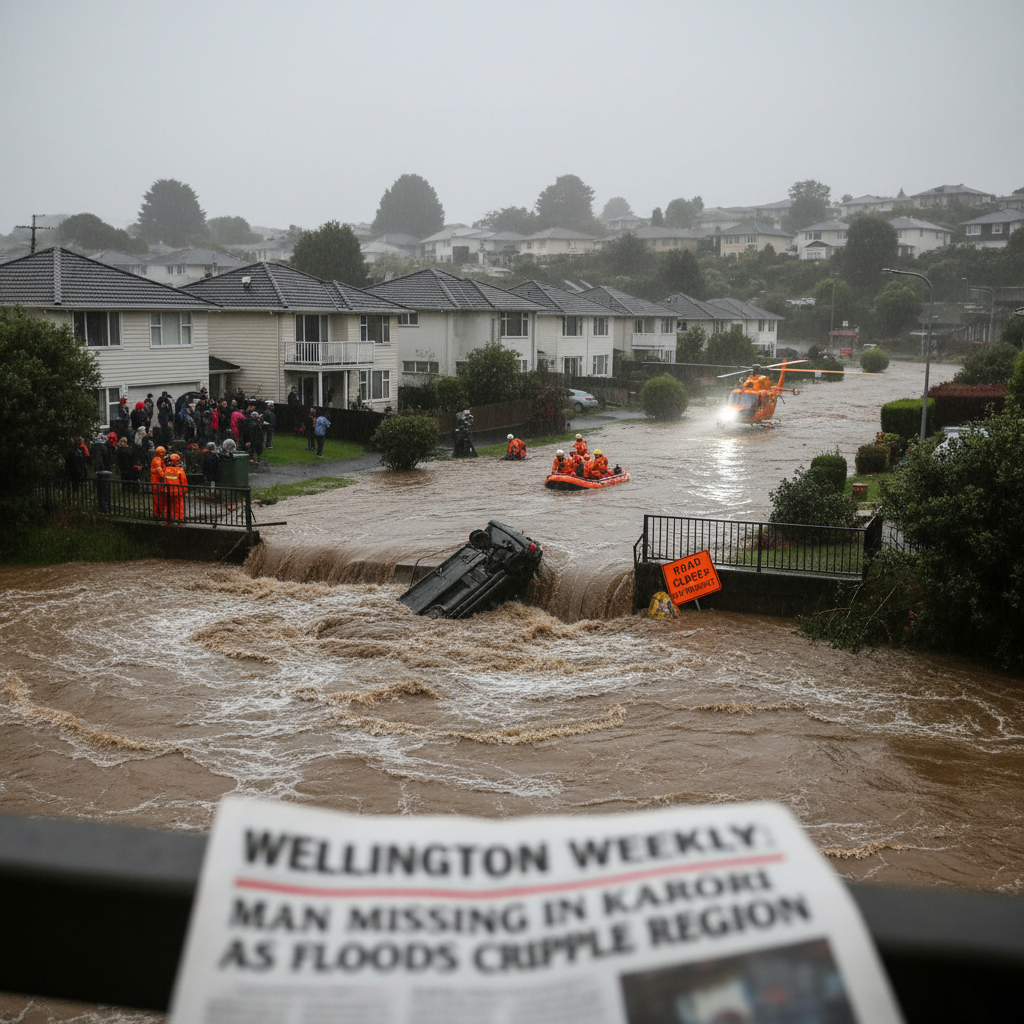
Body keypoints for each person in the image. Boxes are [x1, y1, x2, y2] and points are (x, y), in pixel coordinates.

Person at [94, 432, 117, 512]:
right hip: (105, 471)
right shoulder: (108, 448)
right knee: (105, 490)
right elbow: (108, 459)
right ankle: (106, 507)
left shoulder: (102, 447)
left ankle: (103, 507)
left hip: (102, 470)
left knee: (102, 491)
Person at [162, 453, 188, 523]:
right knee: (179, 506)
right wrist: (185, 490)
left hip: (167, 491)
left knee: (168, 506)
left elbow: (164, 480)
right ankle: (179, 519)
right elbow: (183, 481)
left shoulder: (166, 469)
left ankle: (168, 519)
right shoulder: (180, 470)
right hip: (177, 491)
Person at [150, 446, 168, 521]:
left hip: (157, 482)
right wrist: (164, 477)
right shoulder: (157, 460)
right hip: (157, 482)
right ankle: (157, 514)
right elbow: (159, 469)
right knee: (158, 500)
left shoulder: (158, 459)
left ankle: (158, 514)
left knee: (159, 500)